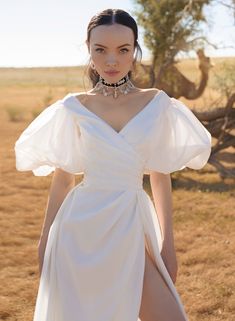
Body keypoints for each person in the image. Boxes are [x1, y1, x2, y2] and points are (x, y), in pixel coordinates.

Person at [14, 8, 211, 321]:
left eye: (123, 50)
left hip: (130, 223)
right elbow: (64, 179)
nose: (111, 61)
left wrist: (168, 246)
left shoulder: (156, 102)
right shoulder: (74, 106)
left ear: (135, 51)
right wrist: (44, 240)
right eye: (100, 50)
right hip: (78, 232)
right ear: (89, 52)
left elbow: (159, 176)